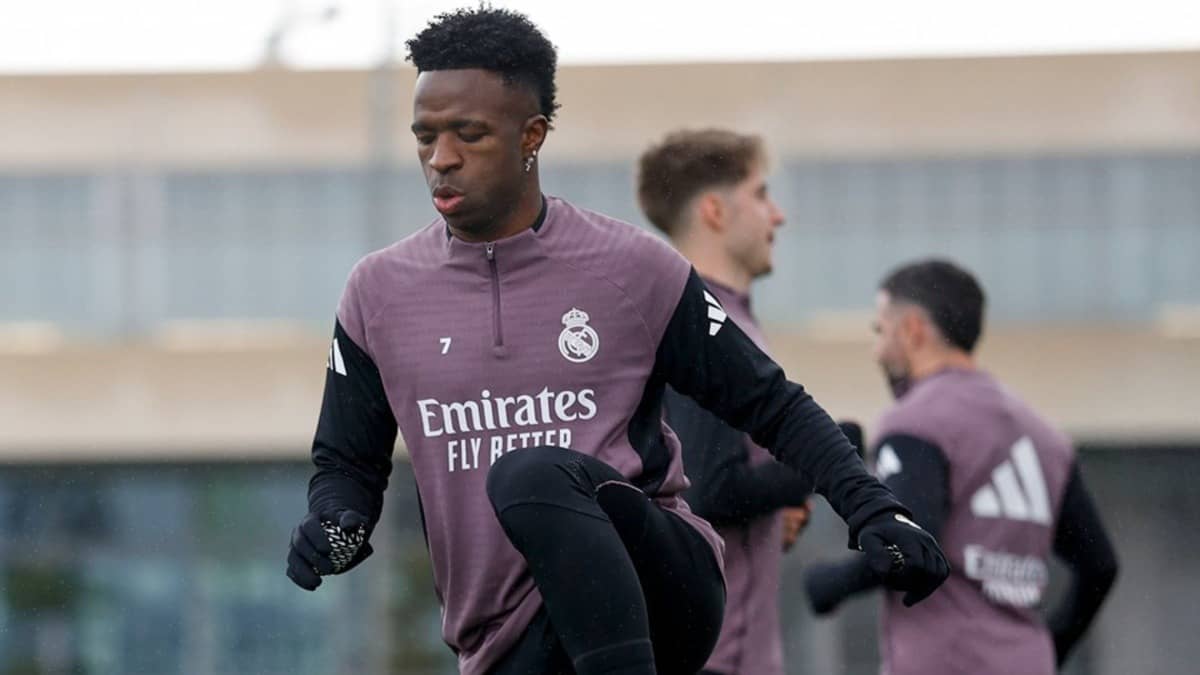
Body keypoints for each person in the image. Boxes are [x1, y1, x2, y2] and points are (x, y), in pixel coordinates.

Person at [285, 8, 948, 675]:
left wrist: (874, 510)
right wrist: (337, 524)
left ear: (531, 136)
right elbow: (348, 462)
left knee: (529, 473)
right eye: (425, 136)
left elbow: (773, 405)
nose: (441, 158)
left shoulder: (633, 268)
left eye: (469, 134)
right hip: (505, 640)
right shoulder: (377, 293)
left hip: (664, 589)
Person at [803, 259, 1119, 674]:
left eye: (880, 331)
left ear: (913, 329)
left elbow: (911, 546)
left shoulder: (915, 423)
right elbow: (1100, 565)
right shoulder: (1045, 437)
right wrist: (1049, 647)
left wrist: (829, 583)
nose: (875, 349)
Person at [637, 128, 815, 675]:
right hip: (710, 658)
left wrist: (776, 506)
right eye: (761, 194)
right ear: (714, 210)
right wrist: (826, 455)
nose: (777, 216)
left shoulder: (726, 317)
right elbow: (710, 489)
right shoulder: (696, 321)